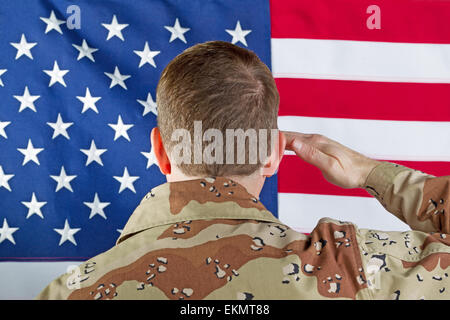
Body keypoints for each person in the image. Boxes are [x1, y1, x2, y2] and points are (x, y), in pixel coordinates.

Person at [36, 41, 449, 300]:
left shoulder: (70, 293)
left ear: (161, 150)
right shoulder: (353, 270)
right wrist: (371, 172)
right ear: (272, 155)